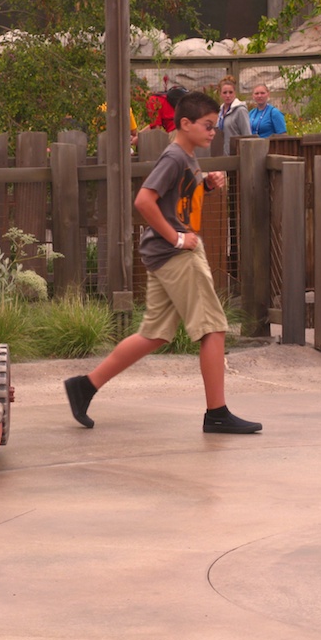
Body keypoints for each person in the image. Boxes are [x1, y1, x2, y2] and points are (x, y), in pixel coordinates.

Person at [64, 91, 262, 435]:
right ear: (184, 124)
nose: (213, 132)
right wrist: (176, 238)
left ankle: (85, 386)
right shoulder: (174, 157)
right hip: (177, 255)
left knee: (154, 334)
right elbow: (144, 201)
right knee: (213, 328)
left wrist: (207, 186)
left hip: (167, 254)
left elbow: (178, 200)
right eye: (207, 126)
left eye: (214, 126)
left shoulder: (186, 156)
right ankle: (217, 413)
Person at [217, 75, 252, 154]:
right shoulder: (220, 112)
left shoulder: (240, 110)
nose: (228, 96)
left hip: (237, 154)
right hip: (222, 155)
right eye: (225, 93)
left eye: (230, 92)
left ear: (235, 93)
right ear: (220, 94)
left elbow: (247, 134)